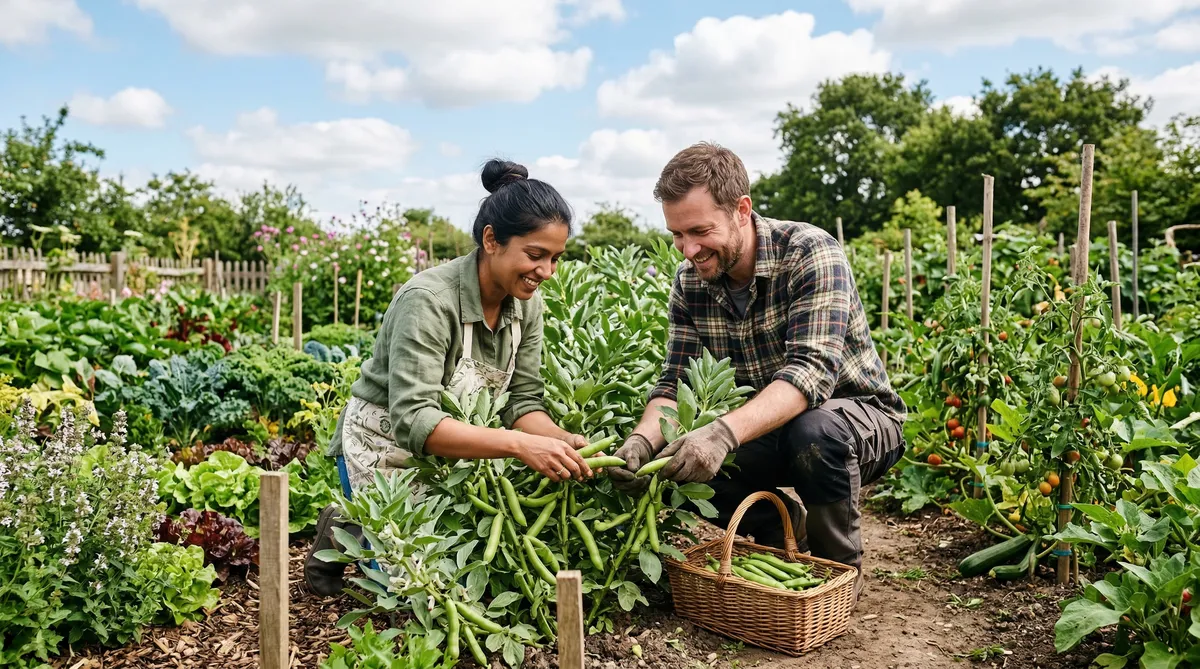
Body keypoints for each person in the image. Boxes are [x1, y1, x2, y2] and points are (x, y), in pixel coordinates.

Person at [607, 142, 906, 598]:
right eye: (676, 235)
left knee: (814, 431)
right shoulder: (690, 285)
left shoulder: (809, 252)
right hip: (767, 428)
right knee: (679, 463)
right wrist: (644, 441)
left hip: (858, 421)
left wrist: (721, 434)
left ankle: (836, 577)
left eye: (699, 231)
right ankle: (787, 535)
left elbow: (809, 376)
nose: (688, 249)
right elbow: (673, 380)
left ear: (741, 210)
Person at [303, 159, 595, 596]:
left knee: (463, 577)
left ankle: (351, 519)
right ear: (491, 240)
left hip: (456, 445)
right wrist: (519, 446)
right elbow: (414, 420)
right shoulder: (428, 301)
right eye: (536, 255)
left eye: (555, 258)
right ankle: (345, 523)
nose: (547, 272)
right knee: (415, 592)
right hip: (384, 445)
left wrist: (562, 441)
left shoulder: (527, 304)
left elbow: (522, 403)